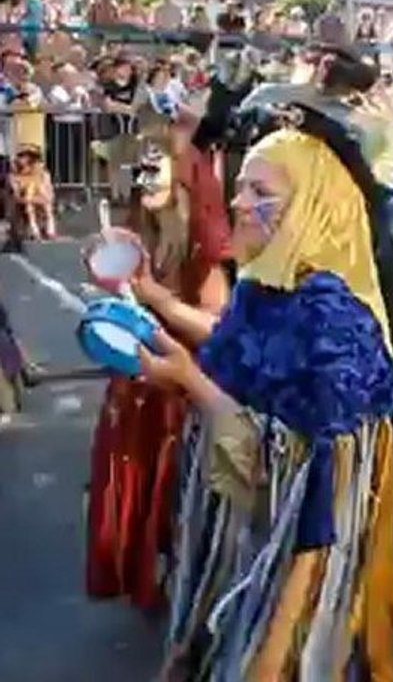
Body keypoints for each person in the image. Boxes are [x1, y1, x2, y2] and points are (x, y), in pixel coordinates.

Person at [135, 121, 393, 679]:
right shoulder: (262, 284)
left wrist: (191, 383)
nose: (238, 201)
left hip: (295, 571)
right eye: (242, 185)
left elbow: (310, 475)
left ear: (314, 209)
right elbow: (232, 360)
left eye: (261, 193)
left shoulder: (334, 321)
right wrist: (149, 302)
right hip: (246, 544)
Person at [84, 99, 233, 613]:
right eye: (138, 168)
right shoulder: (140, 226)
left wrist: (158, 299)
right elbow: (126, 293)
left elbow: (218, 328)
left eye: (155, 167)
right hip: (139, 386)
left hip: (184, 393)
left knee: (176, 505)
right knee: (139, 495)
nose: (144, 178)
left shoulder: (205, 239)